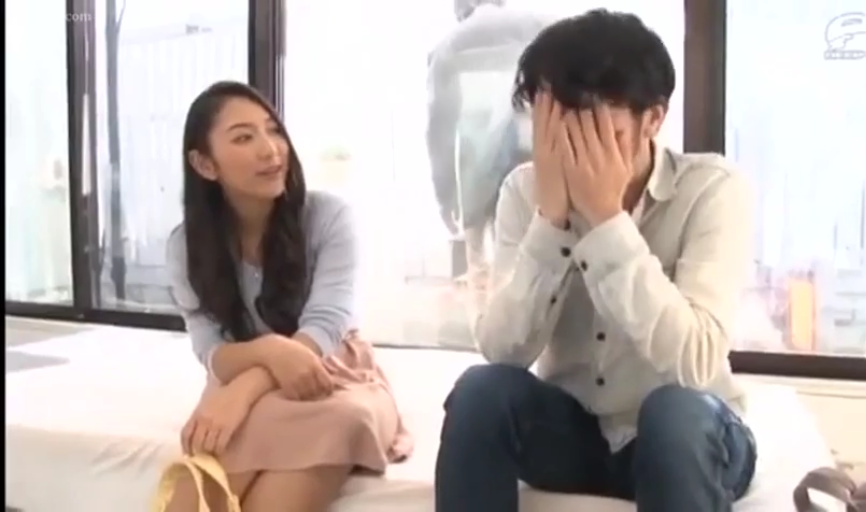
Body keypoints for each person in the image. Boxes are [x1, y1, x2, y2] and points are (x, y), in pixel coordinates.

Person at [434, 9, 757, 512]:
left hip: (689, 434)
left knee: (674, 414)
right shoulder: (524, 191)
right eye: (556, 129)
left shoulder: (711, 189)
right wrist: (551, 223)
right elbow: (502, 350)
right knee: (480, 391)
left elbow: (696, 362)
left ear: (653, 118)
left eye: (599, 131)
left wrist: (608, 222)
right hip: (575, 435)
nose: (575, 151)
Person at [164, 81, 411, 512]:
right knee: (222, 449)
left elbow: (328, 322)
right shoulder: (187, 246)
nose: (271, 150)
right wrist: (269, 353)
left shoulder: (328, 216)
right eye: (244, 137)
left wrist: (248, 389)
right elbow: (210, 350)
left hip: (333, 371)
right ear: (204, 164)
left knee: (344, 419)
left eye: (274, 130)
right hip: (238, 376)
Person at [426, 0, 549, 306]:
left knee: (480, 272)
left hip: (476, 173)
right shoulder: (541, 27)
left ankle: (486, 324)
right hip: (535, 160)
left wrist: (445, 196)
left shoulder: (448, 47)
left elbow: (440, 130)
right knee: (536, 264)